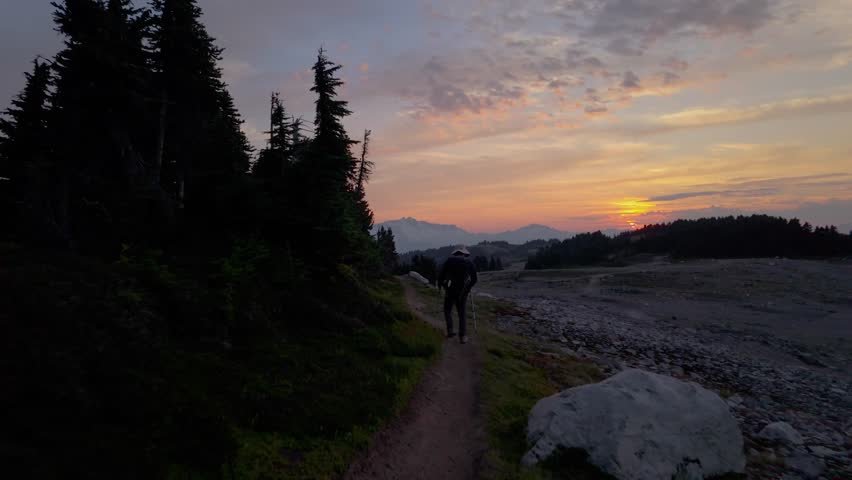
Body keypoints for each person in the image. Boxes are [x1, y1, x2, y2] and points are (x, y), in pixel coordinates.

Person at [438, 246, 478, 344]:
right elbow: (474, 279)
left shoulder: (449, 261)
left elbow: (441, 275)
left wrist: (442, 286)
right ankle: (463, 336)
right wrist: (468, 288)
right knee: (462, 313)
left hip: (450, 290)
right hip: (463, 292)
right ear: (464, 254)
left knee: (447, 310)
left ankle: (450, 330)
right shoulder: (469, 263)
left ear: (456, 253)